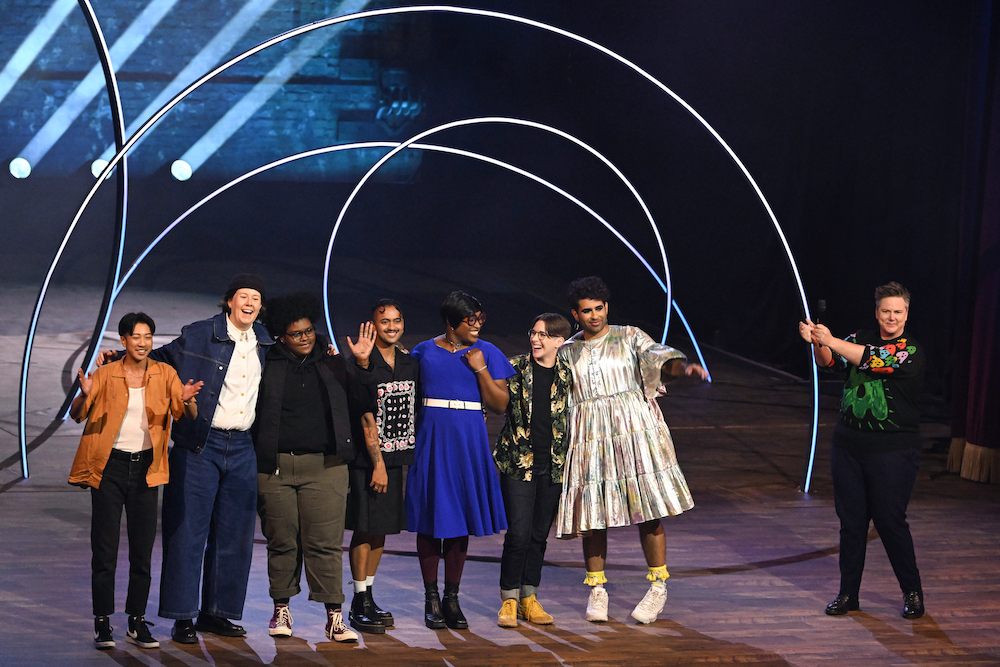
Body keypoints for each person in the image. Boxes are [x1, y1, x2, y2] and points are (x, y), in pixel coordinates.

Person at [101, 274, 274, 643]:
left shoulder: (266, 341)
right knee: (187, 533)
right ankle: (182, 616)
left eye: (256, 298)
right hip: (200, 444)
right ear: (229, 301)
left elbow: (297, 354)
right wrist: (118, 357)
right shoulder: (200, 333)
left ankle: (218, 613)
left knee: (235, 534)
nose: (250, 303)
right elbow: (160, 358)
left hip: (243, 446)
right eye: (243, 296)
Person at [556, 276, 708, 625]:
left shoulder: (629, 336)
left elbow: (659, 361)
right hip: (590, 435)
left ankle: (658, 586)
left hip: (633, 431)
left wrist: (683, 369)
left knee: (647, 510)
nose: (594, 316)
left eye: (599, 308)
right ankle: (597, 590)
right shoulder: (568, 351)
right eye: (586, 311)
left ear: (606, 307)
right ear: (576, 314)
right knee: (593, 514)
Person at [70, 313, 202, 650]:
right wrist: (85, 394)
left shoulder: (165, 373)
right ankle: (102, 622)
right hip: (109, 470)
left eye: (148, 337)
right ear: (124, 341)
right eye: (136, 336)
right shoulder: (106, 373)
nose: (142, 343)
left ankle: (136, 620)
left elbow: (186, 413)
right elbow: (77, 414)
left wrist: (187, 399)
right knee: (105, 552)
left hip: (146, 470)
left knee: (142, 554)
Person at [798, 281, 927, 619]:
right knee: (851, 523)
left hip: (893, 451)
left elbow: (871, 360)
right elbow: (829, 363)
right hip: (849, 447)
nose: (891, 317)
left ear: (906, 314)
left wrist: (832, 341)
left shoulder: (908, 351)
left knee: (889, 521)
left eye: (897, 312)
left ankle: (912, 592)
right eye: (886, 311)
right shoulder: (857, 337)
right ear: (877, 312)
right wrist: (817, 341)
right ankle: (847, 594)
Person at [254, 292, 365, 642]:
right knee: (282, 542)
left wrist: (361, 365)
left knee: (326, 544)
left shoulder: (333, 363)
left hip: (326, 467)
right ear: (280, 337)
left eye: (308, 331)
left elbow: (362, 402)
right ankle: (281, 610)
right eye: (296, 334)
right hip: (276, 468)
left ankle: (334, 618)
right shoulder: (266, 362)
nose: (305, 338)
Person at [405, 291, 516, 629]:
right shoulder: (423, 351)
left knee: (458, 520)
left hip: (468, 441)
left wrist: (480, 369)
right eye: (471, 321)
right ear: (451, 323)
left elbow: (499, 405)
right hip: (432, 440)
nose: (477, 326)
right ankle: (431, 598)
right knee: (430, 518)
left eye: (480, 320)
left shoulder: (487, 352)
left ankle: (452, 598)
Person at [493, 313, 572, 628]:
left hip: (552, 466)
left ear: (558, 341)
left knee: (539, 535)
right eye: (533, 333)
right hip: (518, 464)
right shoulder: (514, 368)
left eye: (543, 335)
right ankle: (509, 599)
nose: (535, 340)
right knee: (519, 533)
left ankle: (529, 597)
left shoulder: (568, 375)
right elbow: (490, 396)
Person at [346, 299, 419, 634]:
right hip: (368, 462)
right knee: (365, 527)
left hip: (396, 460)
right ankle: (358, 600)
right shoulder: (363, 362)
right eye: (384, 321)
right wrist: (377, 464)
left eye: (396, 320)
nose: (391, 326)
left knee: (381, 529)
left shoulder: (409, 363)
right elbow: (364, 415)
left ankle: (369, 595)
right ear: (372, 325)